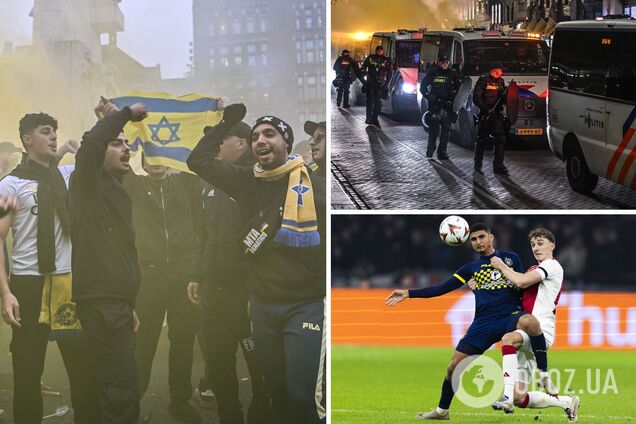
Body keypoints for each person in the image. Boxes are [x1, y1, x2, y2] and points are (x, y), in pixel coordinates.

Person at [187, 104, 326, 424]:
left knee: (302, 397)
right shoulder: (246, 181)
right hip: (263, 307)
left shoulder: (317, 190)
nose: (261, 140)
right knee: (275, 394)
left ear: (287, 143)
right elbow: (197, 161)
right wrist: (225, 124)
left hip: (305, 306)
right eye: (255, 137)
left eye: (270, 134)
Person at [384, 223, 556, 420]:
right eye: (473, 239)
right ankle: (442, 411)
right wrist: (407, 293)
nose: (478, 242)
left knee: (531, 322)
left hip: (510, 316)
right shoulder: (470, 269)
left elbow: (523, 284)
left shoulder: (510, 258)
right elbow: (441, 288)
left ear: (491, 237)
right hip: (483, 322)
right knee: (453, 367)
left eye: (482, 237)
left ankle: (544, 374)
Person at [0, 113, 98, 423]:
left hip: (67, 283)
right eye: (46, 131)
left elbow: (96, 155)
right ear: (28, 139)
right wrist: (5, 293)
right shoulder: (11, 184)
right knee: (28, 372)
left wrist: (101, 122)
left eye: (55, 131)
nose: (54, 136)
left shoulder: (67, 175)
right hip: (28, 284)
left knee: (83, 369)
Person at [187, 121, 272, 424]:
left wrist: (256, 289)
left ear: (240, 144)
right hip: (215, 292)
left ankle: (261, 413)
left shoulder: (258, 180)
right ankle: (229, 416)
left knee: (260, 366)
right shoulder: (210, 184)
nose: (215, 146)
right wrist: (197, 273)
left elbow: (267, 242)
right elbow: (204, 233)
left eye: (220, 140)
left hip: (246, 294)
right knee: (219, 364)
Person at [69, 103, 148, 424]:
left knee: (97, 394)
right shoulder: (87, 184)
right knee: (120, 396)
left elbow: (117, 255)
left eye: (127, 142)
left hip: (110, 304)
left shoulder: (110, 189)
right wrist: (124, 114)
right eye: (117, 143)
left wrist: (126, 303)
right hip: (103, 307)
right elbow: (89, 149)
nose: (127, 148)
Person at [120, 153, 204, 423]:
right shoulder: (132, 185)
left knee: (183, 339)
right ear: (142, 162)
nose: (156, 163)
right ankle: (134, 400)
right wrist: (110, 120)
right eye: (150, 157)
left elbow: (198, 152)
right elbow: (107, 157)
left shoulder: (186, 184)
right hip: (148, 275)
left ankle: (180, 400)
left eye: (162, 156)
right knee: (142, 341)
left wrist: (212, 117)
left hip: (182, 274)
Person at [489, 228, 579, 421]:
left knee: (508, 340)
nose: (536, 248)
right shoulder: (533, 269)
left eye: (540, 243)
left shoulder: (552, 266)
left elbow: (520, 282)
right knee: (520, 396)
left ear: (552, 245)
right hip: (525, 330)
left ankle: (505, 397)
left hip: (541, 329)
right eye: (533, 245)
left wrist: (503, 267)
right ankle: (566, 402)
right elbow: (515, 288)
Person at [420, 56, 460, 159]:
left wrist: (453, 101)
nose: (445, 64)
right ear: (439, 62)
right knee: (434, 129)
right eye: (442, 62)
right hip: (435, 105)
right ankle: (430, 150)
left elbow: (459, 89)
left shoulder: (453, 73)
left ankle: (442, 152)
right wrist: (430, 97)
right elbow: (423, 87)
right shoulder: (433, 72)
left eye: (446, 62)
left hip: (447, 106)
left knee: (446, 129)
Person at [472, 62, 509, 174]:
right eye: (500, 70)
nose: (502, 73)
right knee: (482, 140)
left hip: (496, 115)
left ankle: (498, 166)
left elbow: (503, 98)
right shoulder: (483, 81)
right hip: (485, 115)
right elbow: (476, 98)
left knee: (501, 139)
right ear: (494, 70)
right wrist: (486, 109)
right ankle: (478, 164)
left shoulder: (501, 81)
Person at [355, 45, 392, 128]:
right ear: (376, 51)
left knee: (378, 103)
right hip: (370, 83)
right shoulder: (370, 58)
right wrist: (362, 75)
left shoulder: (386, 60)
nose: (379, 52)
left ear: (383, 51)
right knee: (370, 101)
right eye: (378, 50)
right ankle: (369, 118)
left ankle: (374, 119)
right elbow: (363, 68)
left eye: (381, 50)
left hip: (380, 84)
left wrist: (386, 84)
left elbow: (390, 72)